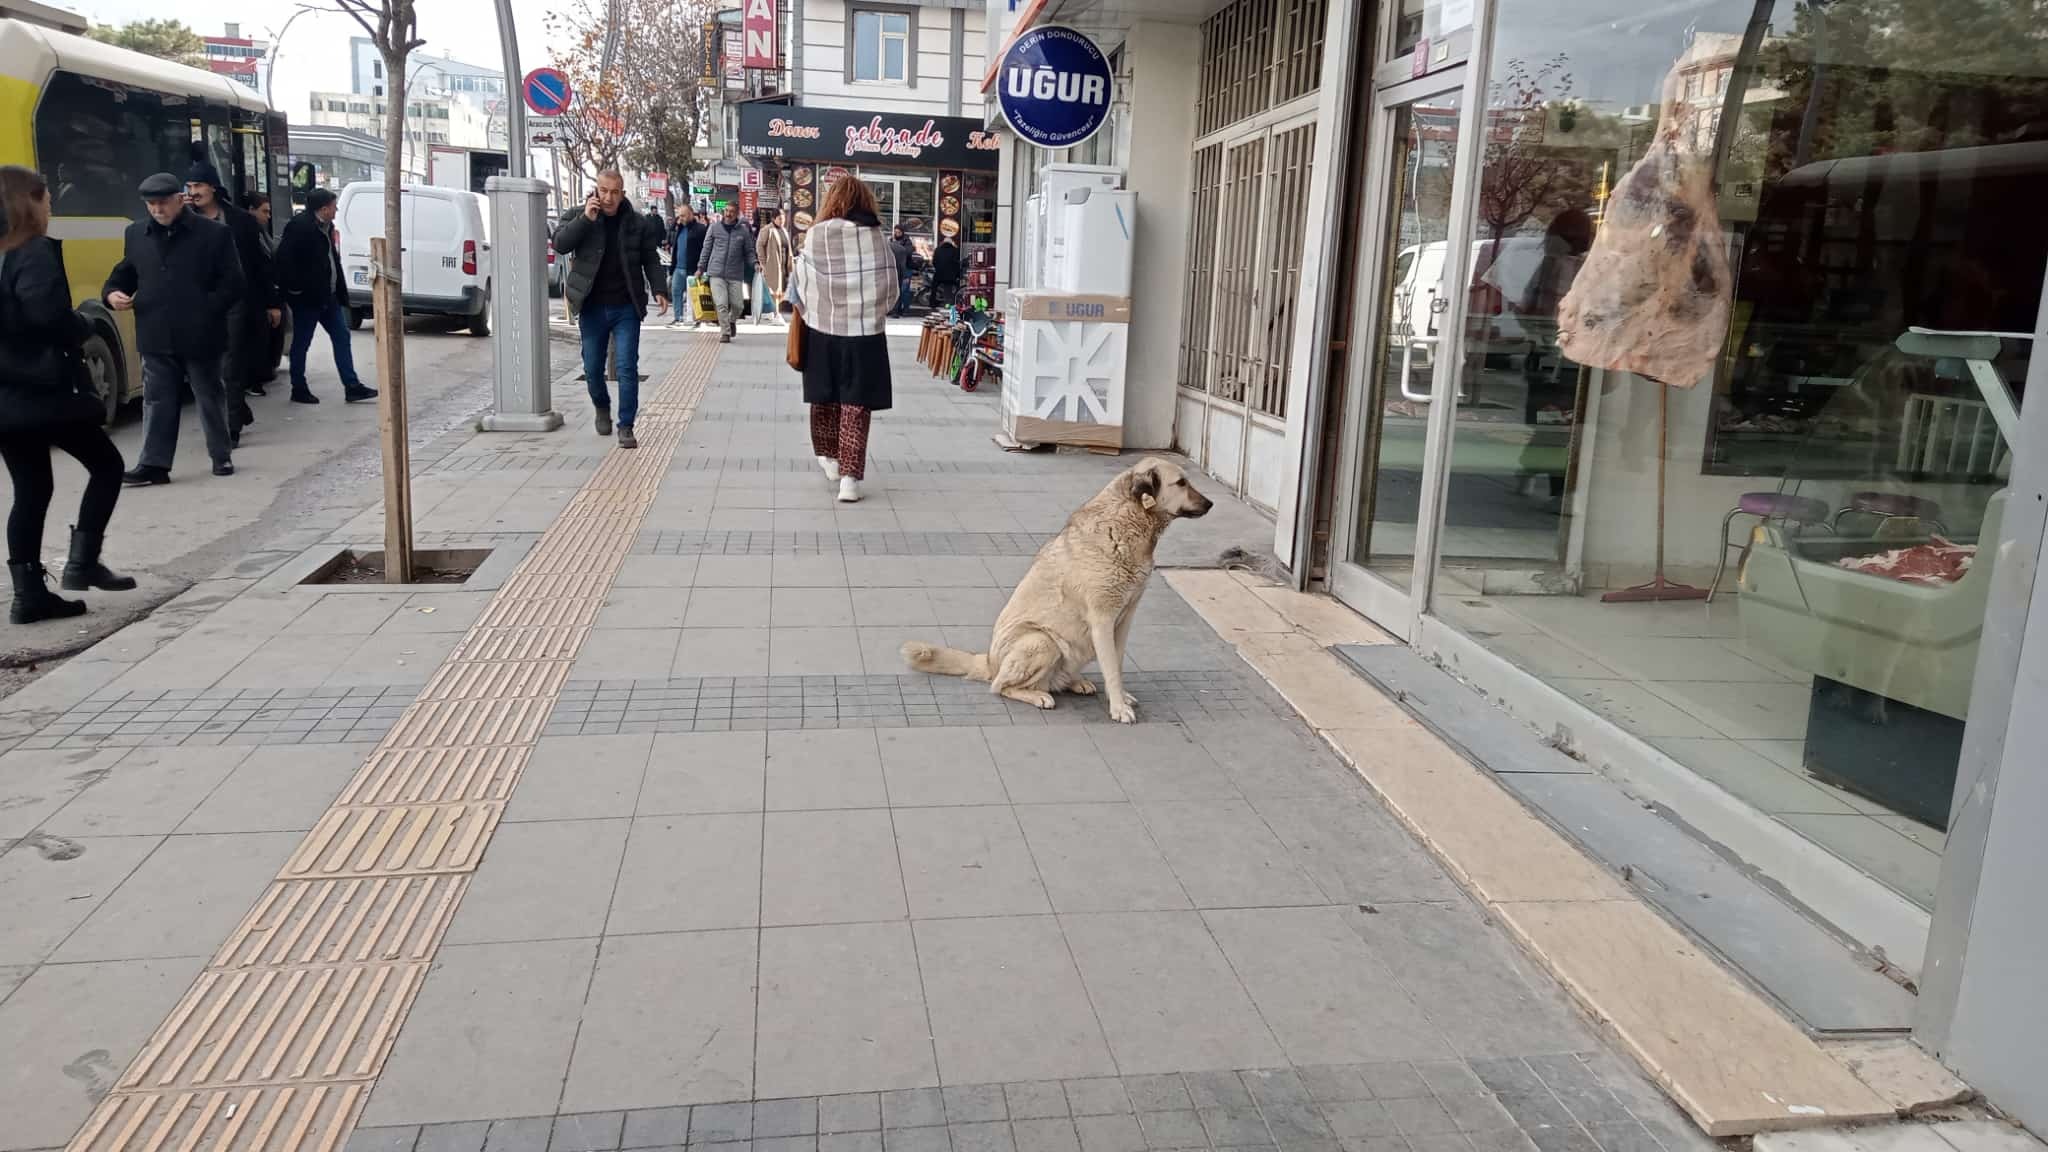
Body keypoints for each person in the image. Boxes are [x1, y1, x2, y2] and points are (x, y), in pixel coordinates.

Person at [0, 165, 134, 623]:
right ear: (29, 202)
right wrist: (80, 321)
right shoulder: (31, 252)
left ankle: (28, 594)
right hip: (43, 391)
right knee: (107, 464)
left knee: (32, 490)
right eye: (47, 198)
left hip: (6, 397)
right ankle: (81, 562)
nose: (51, 205)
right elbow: (46, 318)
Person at [104, 171, 243, 484]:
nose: (157, 210)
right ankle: (154, 464)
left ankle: (220, 456)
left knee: (208, 396)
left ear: (180, 199)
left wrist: (206, 311)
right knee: (156, 400)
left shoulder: (214, 234)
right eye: (151, 204)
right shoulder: (136, 234)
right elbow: (125, 273)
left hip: (200, 333)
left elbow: (233, 283)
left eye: (163, 203)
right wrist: (112, 292)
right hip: (155, 331)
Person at [790, 175, 896, 503]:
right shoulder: (877, 237)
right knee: (856, 404)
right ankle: (849, 480)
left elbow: (800, 283)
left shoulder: (817, 235)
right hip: (863, 334)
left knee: (824, 398)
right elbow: (890, 287)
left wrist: (820, 307)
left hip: (823, 329)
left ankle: (829, 458)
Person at [553, 169, 668, 450]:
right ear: (596, 190)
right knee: (593, 369)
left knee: (626, 367)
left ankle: (626, 426)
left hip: (625, 306)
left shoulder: (637, 224)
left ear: (622, 194)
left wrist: (659, 289)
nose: (608, 198)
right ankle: (601, 406)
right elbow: (560, 244)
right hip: (592, 306)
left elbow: (650, 259)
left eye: (614, 192)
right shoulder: (580, 215)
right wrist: (585, 220)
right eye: (603, 191)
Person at [184, 162, 270, 442]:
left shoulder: (241, 221)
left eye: (199, 186)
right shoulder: (183, 220)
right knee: (206, 363)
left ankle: (230, 427)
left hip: (234, 299)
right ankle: (239, 409)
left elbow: (259, 265)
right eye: (190, 187)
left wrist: (272, 302)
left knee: (230, 363)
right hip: (199, 302)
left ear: (213, 188)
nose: (194, 192)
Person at [276, 187, 376, 405]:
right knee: (302, 343)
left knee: (342, 336)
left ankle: (352, 386)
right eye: (333, 206)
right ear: (323, 208)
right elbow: (284, 262)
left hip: (328, 297)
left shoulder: (327, 227)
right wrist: (297, 290)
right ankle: (298, 387)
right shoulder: (300, 227)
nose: (336, 209)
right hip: (308, 300)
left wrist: (340, 291)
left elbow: (332, 260)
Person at [242, 193, 286, 388]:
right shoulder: (249, 235)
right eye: (264, 211)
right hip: (258, 298)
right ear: (250, 210)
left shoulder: (262, 233)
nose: (268, 216)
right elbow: (260, 268)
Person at [696, 201, 754, 342]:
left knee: (738, 305)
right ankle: (725, 332)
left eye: (731, 212)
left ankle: (731, 320)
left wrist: (755, 264)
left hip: (735, 274)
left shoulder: (743, 231)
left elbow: (749, 252)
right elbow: (706, 249)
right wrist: (700, 268)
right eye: (726, 211)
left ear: (737, 214)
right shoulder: (714, 228)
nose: (728, 214)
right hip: (716, 272)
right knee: (721, 303)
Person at [669, 204, 706, 328]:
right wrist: (672, 269)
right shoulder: (679, 228)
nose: (681, 218)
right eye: (679, 216)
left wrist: (702, 268)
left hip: (693, 269)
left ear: (691, 214)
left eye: (683, 215)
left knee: (693, 295)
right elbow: (675, 248)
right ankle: (678, 317)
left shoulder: (701, 229)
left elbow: (705, 250)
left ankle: (696, 319)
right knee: (676, 292)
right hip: (678, 268)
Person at [756, 209, 792, 326]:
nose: (782, 221)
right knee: (775, 289)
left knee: (782, 289)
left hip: (784, 263)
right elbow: (760, 245)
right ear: (773, 219)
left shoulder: (784, 231)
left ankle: (773, 312)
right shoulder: (767, 230)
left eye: (783, 218)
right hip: (773, 263)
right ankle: (777, 313)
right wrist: (763, 262)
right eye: (780, 218)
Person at [887, 226, 915, 317]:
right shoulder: (891, 241)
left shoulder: (907, 241)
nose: (896, 233)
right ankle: (895, 309)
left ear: (902, 232)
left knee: (904, 290)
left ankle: (905, 309)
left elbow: (908, 252)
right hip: (894, 267)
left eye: (898, 232)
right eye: (895, 232)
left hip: (905, 268)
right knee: (895, 289)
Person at [929, 233, 961, 311]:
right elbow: (956, 263)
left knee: (934, 288)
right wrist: (957, 274)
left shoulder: (938, 249)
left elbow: (934, 261)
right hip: (950, 275)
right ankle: (948, 304)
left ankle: (932, 303)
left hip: (939, 273)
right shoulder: (955, 250)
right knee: (948, 290)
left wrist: (938, 268)